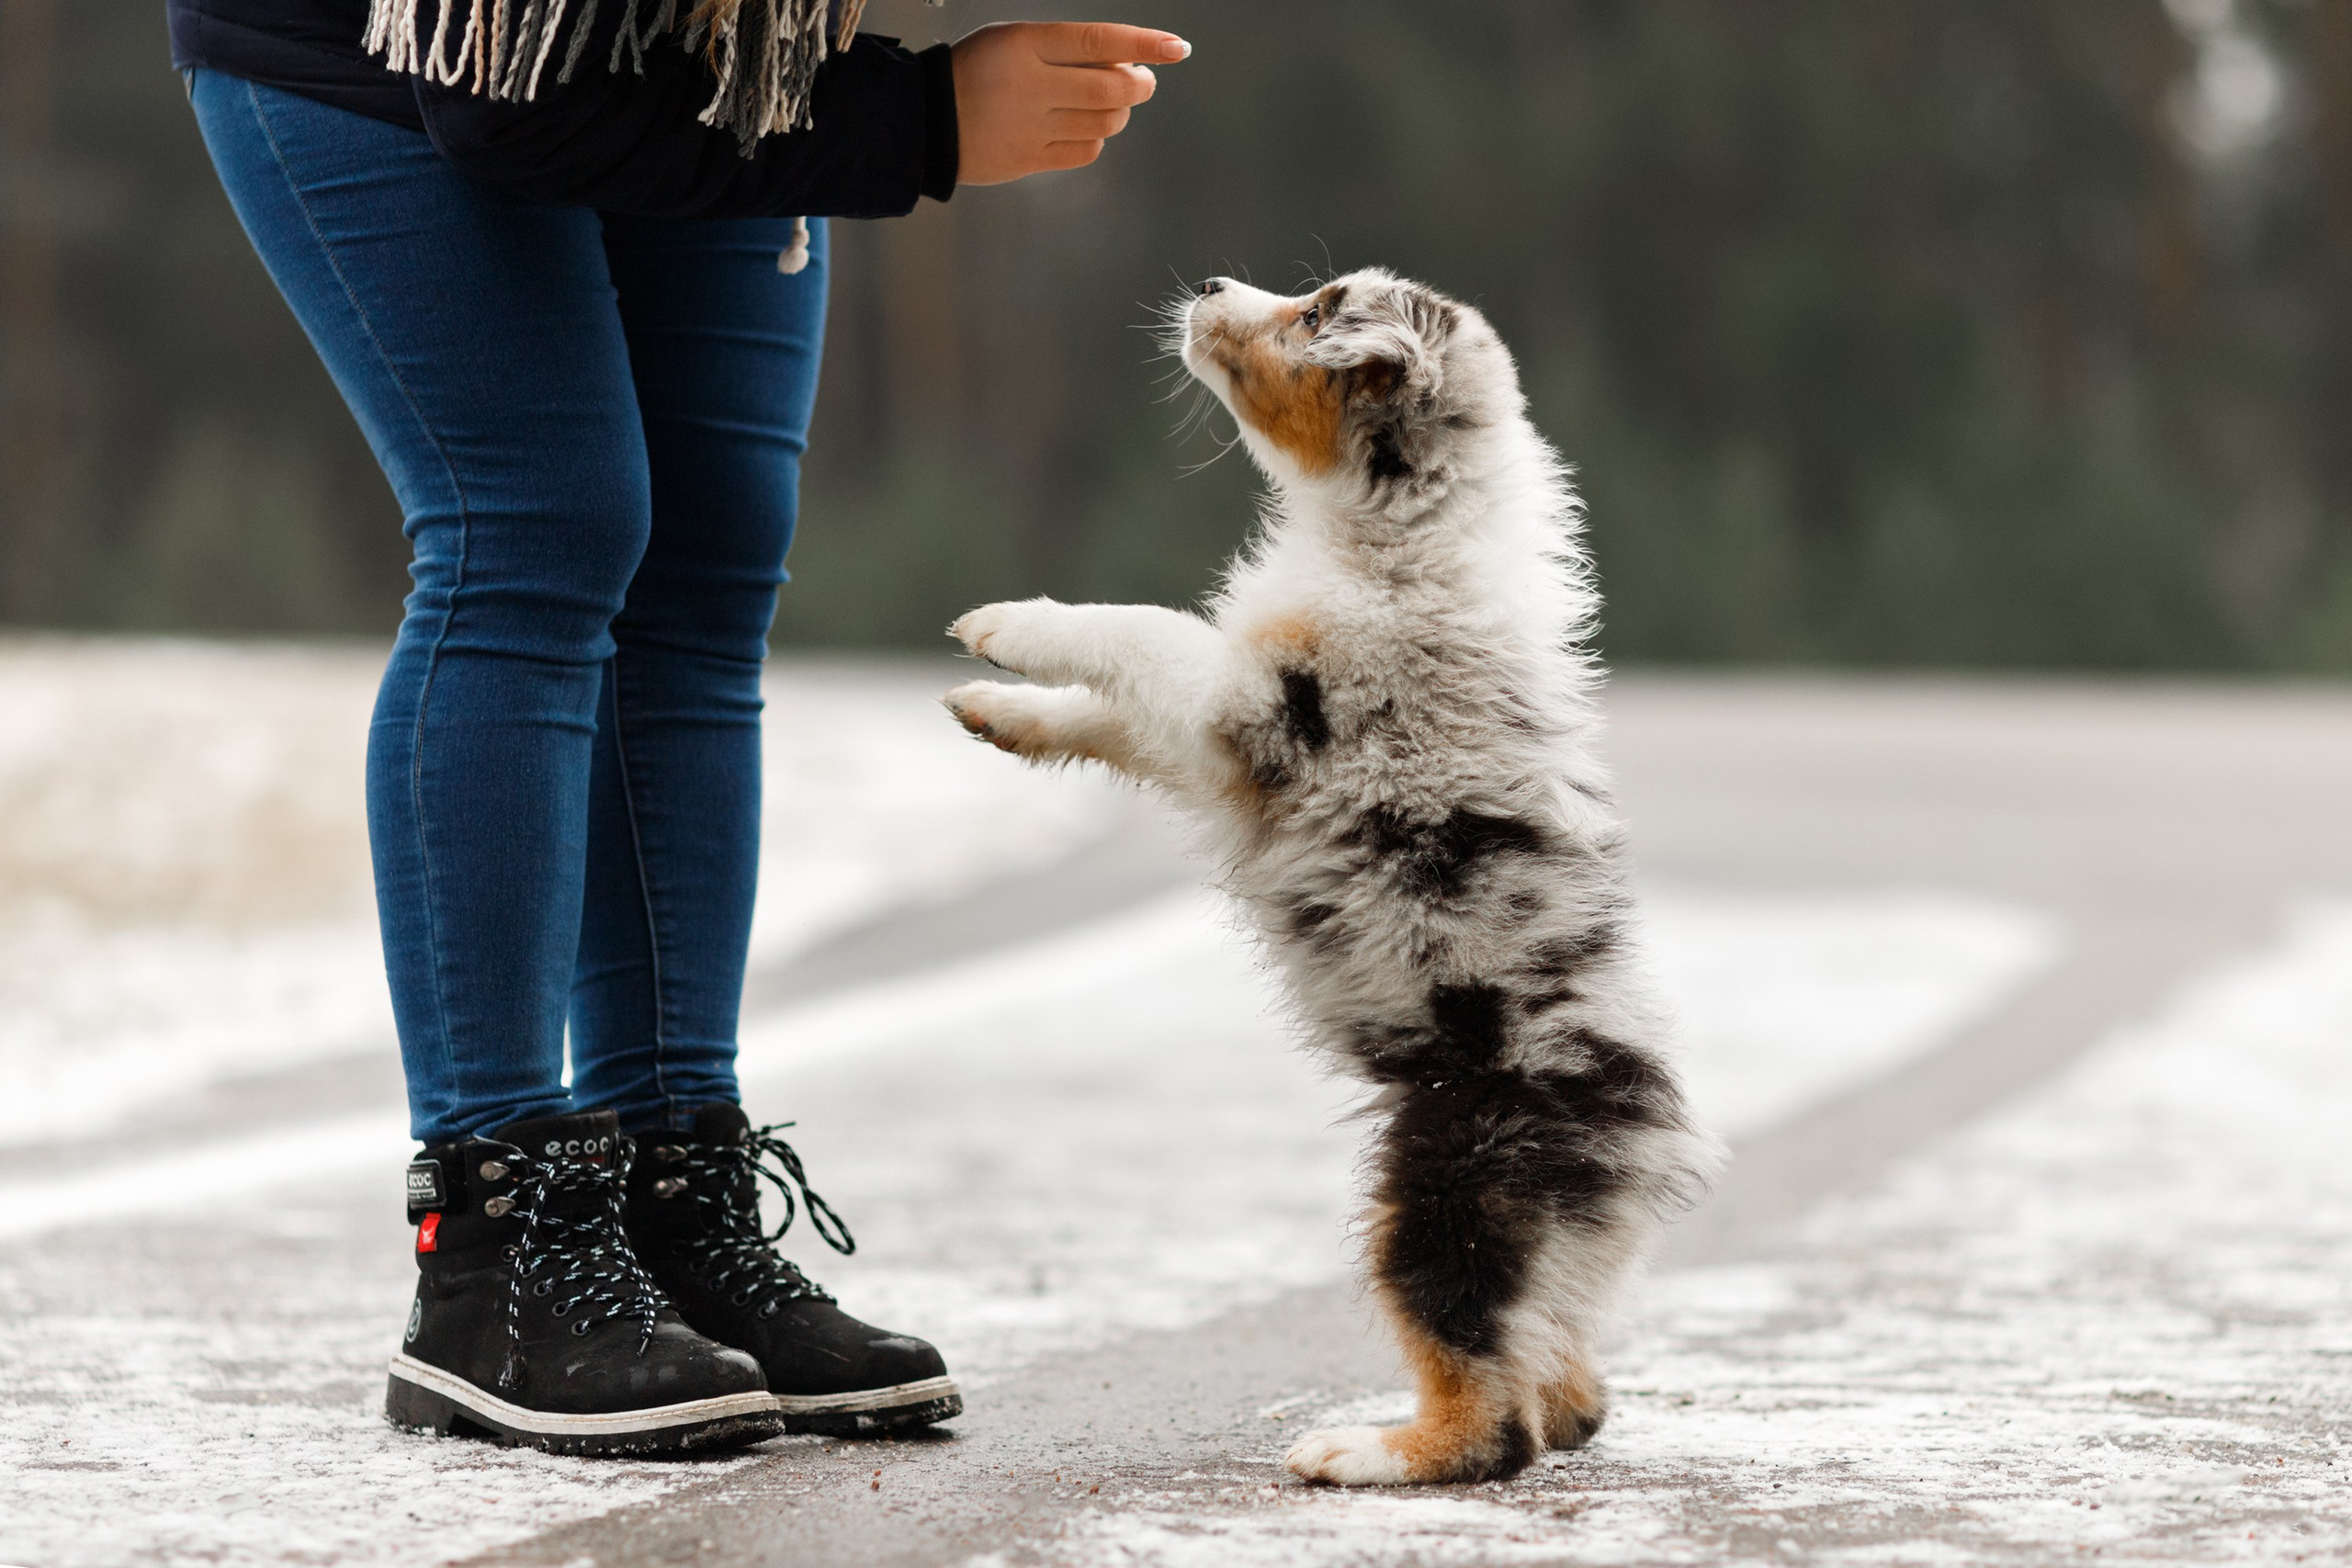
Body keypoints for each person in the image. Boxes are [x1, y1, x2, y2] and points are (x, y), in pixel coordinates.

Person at [167, 0, 1187, 1456]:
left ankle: (662, 1190)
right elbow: (511, 101)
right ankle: (493, 1254)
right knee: (536, 526)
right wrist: (925, 122)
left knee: (705, 566)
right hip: (408, 53)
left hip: (705, 47)